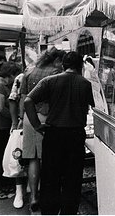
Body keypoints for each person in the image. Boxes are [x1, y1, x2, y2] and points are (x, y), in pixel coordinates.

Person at [24, 51, 95, 215]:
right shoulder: (85, 84)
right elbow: (96, 106)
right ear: (80, 66)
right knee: (73, 178)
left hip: (53, 135)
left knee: (50, 177)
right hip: (75, 136)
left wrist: (36, 125)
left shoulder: (49, 81)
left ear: (63, 65)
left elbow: (28, 101)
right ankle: (68, 212)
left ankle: (49, 211)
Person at [20, 47, 65, 212]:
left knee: (33, 158)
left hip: (28, 117)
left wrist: (20, 118)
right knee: (48, 158)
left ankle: (33, 197)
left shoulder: (30, 70)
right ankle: (48, 197)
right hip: (46, 117)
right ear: (57, 60)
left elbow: (23, 96)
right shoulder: (55, 72)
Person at [0, 61, 22, 199]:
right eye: (15, 75)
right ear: (10, 74)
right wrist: (15, 117)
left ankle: (2, 186)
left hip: (2, 126)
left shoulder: (3, 85)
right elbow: (0, 107)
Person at [8, 72, 28, 209]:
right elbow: (12, 99)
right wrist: (15, 123)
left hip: (37, 121)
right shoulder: (21, 78)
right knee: (18, 156)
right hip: (23, 122)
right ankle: (19, 190)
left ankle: (30, 187)